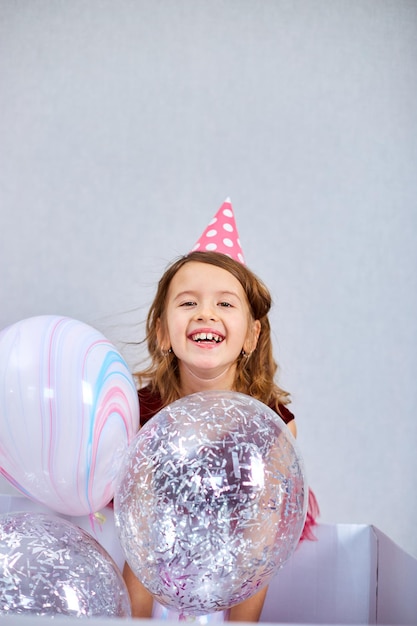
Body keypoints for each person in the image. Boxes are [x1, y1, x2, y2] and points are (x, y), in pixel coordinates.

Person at [123, 202, 319, 622]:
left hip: (234, 559)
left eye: (225, 305)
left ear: (251, 334)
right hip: (158, 554)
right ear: (161, 332)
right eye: (188, 303)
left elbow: (257, 553)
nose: (205, 313)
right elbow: (138, 539)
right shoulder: (140, 412)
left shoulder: (274, 428)